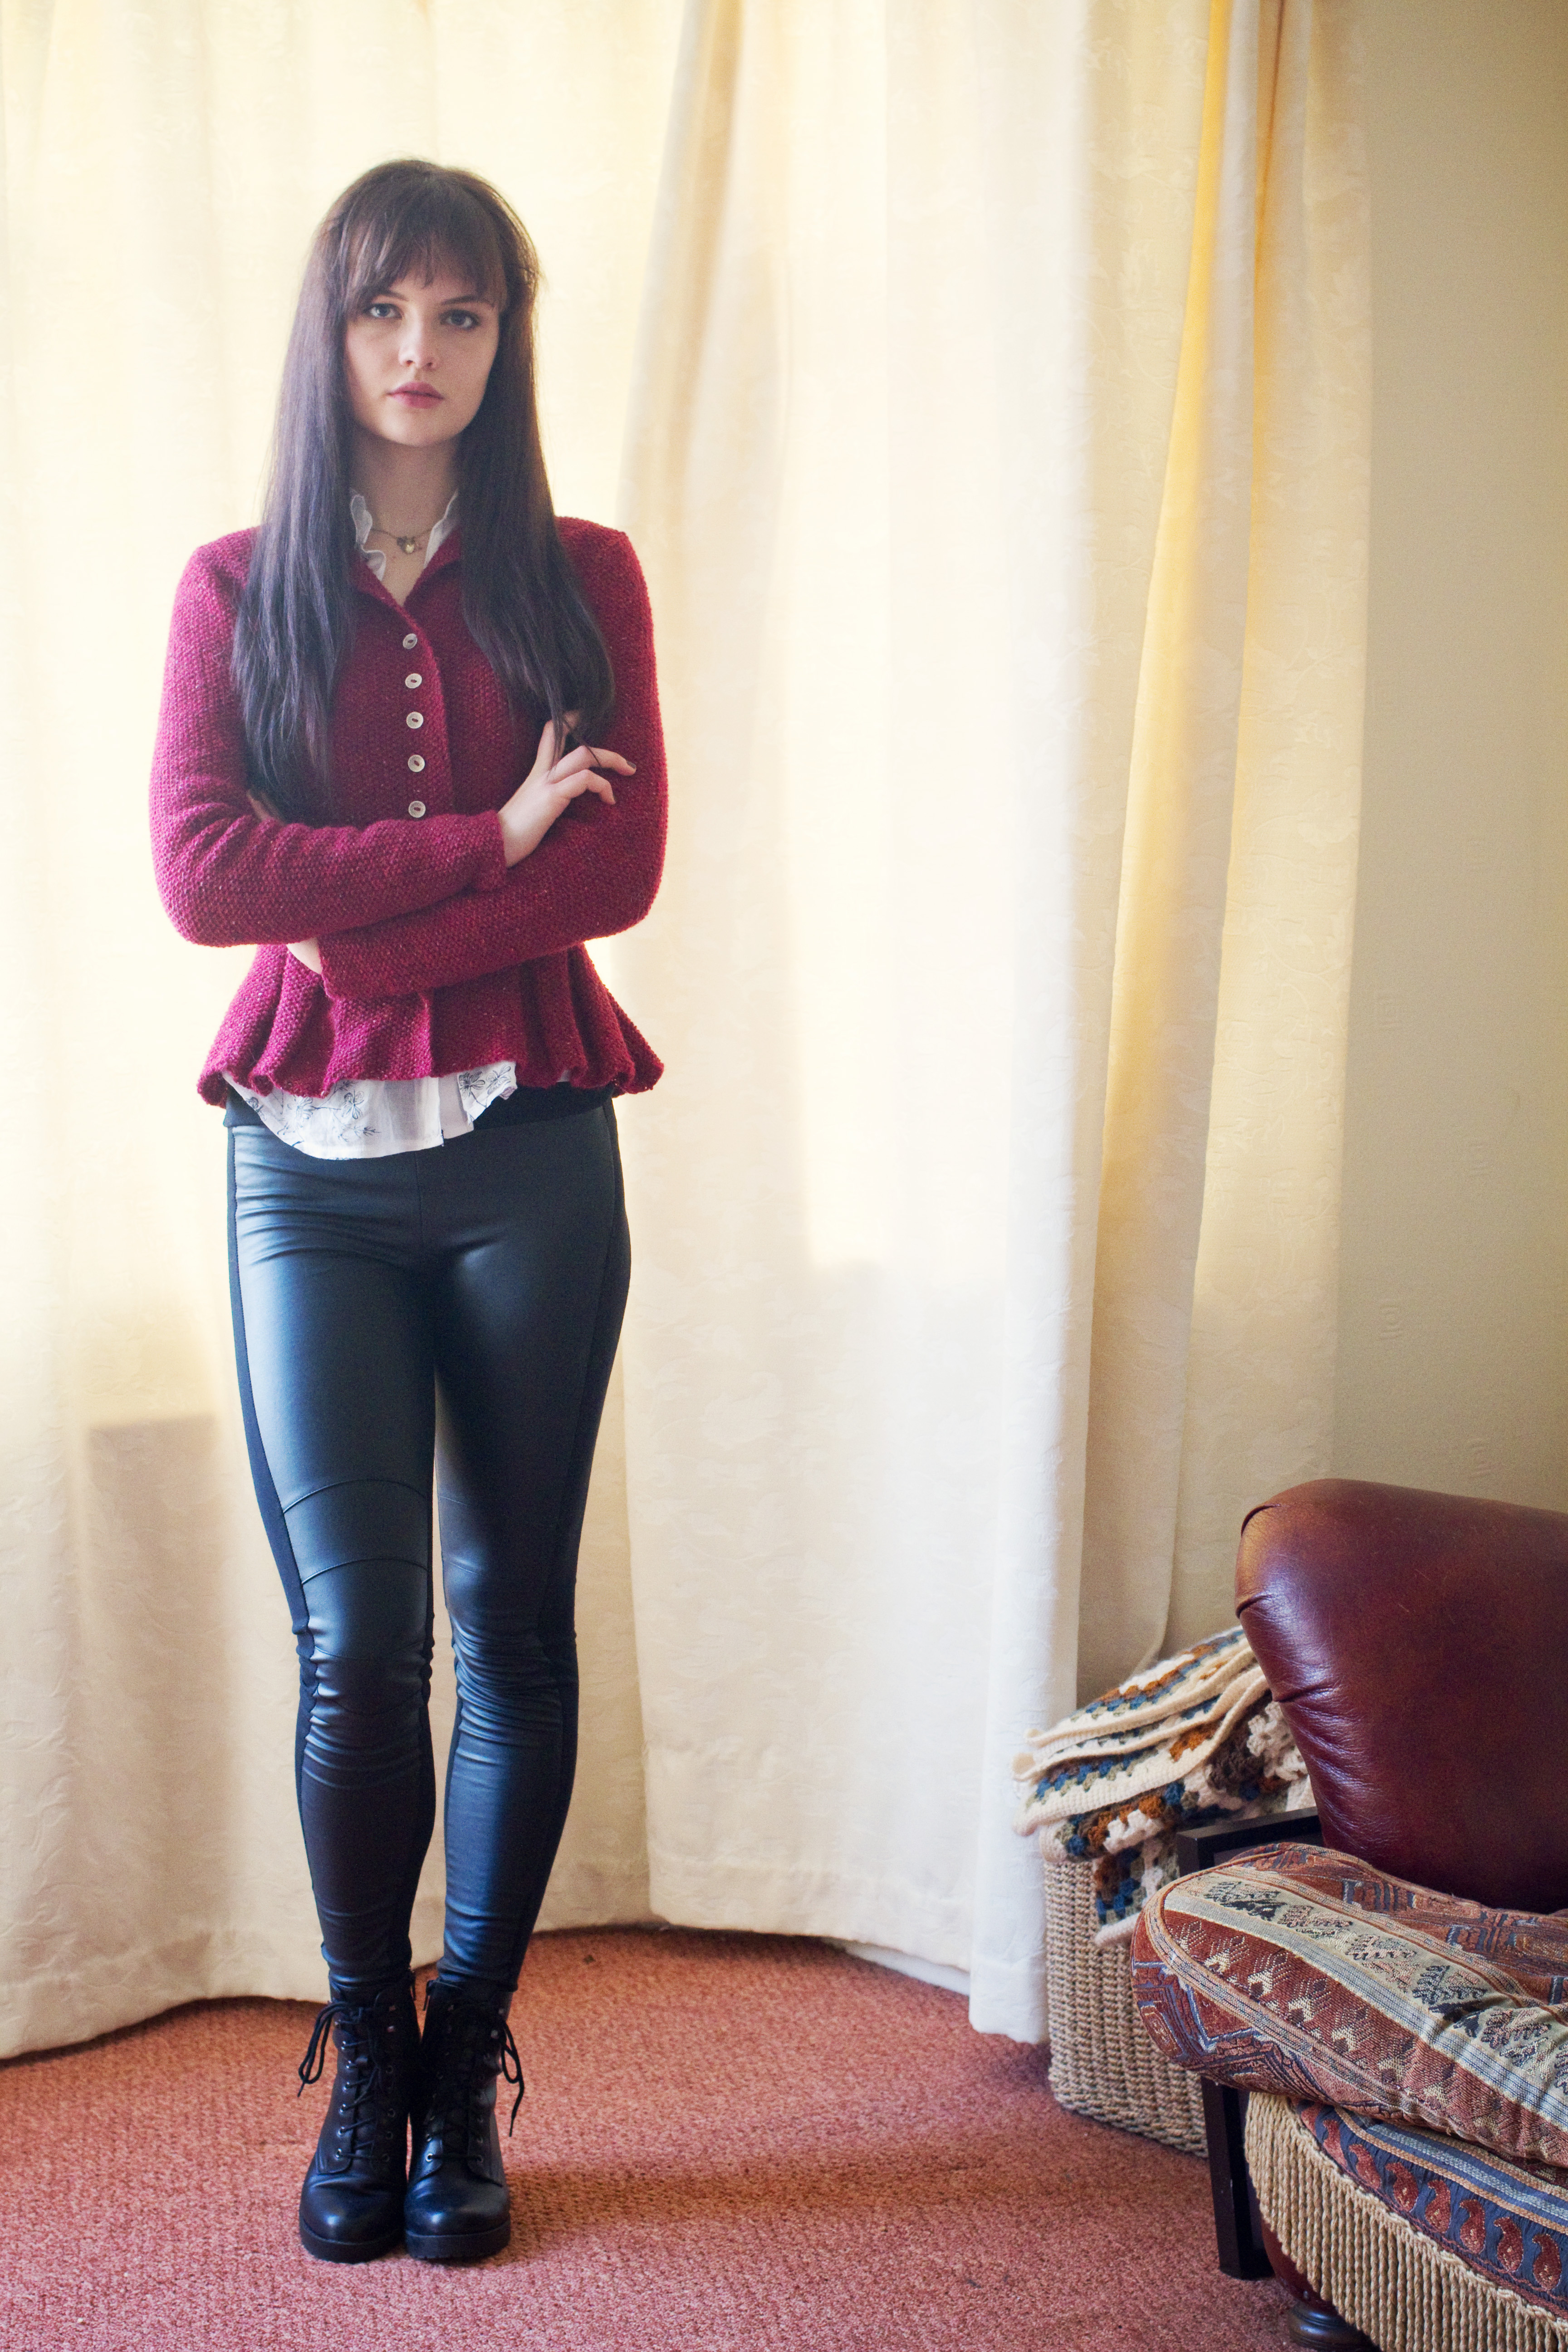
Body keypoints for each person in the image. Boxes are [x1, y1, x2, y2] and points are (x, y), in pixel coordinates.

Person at [150, 158, 666, 2266]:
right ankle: (369, 2054)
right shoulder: (232, 587)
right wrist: (478, 844)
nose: (421, 351)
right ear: (331, 330)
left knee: (512, 1625)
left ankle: (466, 2072)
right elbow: (204, 878)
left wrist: (358, 899)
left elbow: (617, 870)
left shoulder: (584, 578)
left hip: (535, 1145)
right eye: (385, 311)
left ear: (504, 339)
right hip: (308, 1167)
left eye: (462, 313)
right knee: (359, 1647)